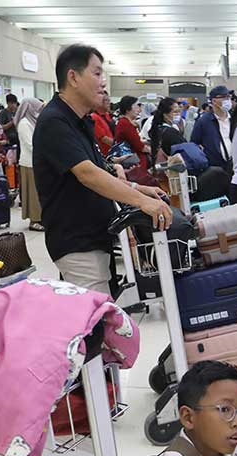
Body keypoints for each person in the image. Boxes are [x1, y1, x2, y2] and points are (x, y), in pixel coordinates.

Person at [33, 44, 173, 296]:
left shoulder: (80, 120)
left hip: (96, 233)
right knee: (94, 316)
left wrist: (139, 188)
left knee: (102, 310)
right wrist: (142, 202)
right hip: (77, 241)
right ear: (73, 77)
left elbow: (100, 170)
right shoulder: (54, 121)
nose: (103, 82)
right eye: (96, 73)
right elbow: (87, 174)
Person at [15, 97, 44, 231]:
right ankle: (34, 220)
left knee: (37, 192)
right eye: (37, 109)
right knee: (32, 193)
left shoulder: (32, 122)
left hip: (36, 162)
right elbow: (30, 144)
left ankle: (40, 217)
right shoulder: (24, 123)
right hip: (29, 163)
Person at [190, 85, 233, 171]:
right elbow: (194, 144)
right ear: (214, 101)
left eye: (229, 97)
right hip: (214, 168)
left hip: (235, 166)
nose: (228, 100)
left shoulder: (234, 119)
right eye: (224, 97)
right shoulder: (203, 121)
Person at [114, 95, 150, 171]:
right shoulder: (125, 124)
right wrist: (152, 150)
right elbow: (140, 147)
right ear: (128, 109)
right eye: (137, 106)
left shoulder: (126, 123)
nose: (139, 110)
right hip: (134, 163)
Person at [149, 97, 187, 166]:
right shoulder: (171, 132)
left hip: (159, 166)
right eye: (175, 112)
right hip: (171, 168)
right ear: (165, 115)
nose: (178, 114)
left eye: (179, 111)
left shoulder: (158, 129)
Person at [91, 92, 115, 156]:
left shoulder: (107, 115)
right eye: (106, 100)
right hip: (106, 155)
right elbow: (104, 139)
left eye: (109, 100)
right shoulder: (94, 117)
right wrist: (118, 145)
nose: (109, 103)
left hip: (113, 151)